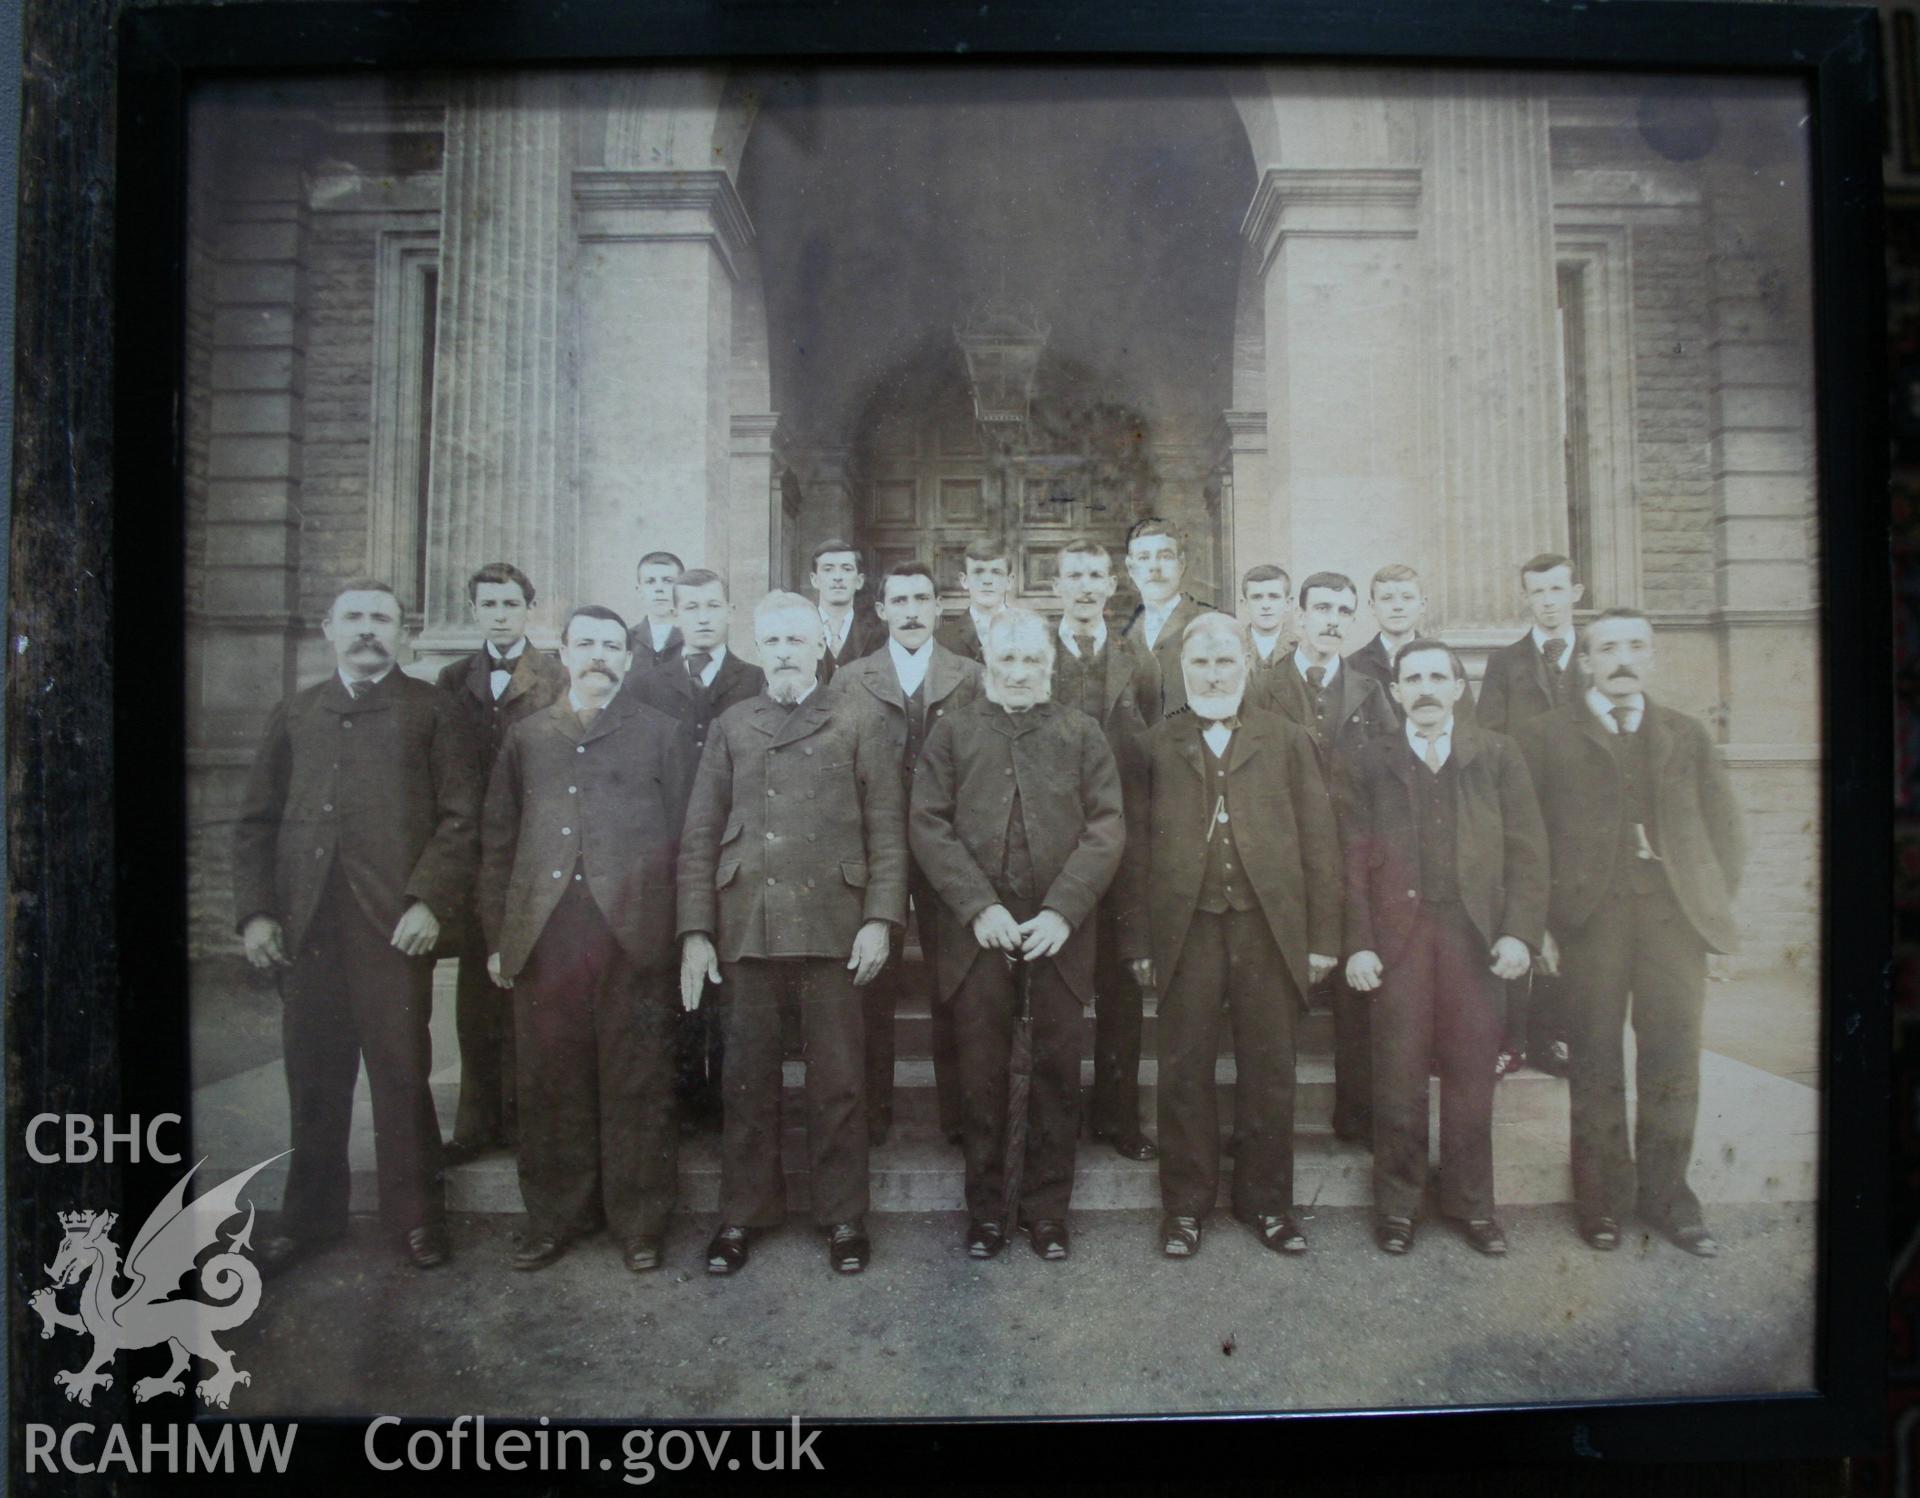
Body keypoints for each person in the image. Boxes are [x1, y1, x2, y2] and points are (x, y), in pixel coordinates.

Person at [233, 580, 480, 1272]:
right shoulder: (298, 710)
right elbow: (255, 822)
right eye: (354, 619)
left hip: (393, 926)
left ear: (403, 631)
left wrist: (429, 901)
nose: (368, 630)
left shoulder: (433, 710)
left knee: (402, 1074)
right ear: (328, 630)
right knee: (314, 1077)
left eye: (381, 619)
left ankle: (417, 1220)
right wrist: (255, 914)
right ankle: (309, 1219)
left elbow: (463, 819)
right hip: (306, 926)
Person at [676, 592, 907, 1276]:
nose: (782, 652)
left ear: (818, 649)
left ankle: (842, 1217)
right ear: (759, 646)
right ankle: (743, 1214)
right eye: (771, 640)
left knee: (839, 1082)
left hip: (834, 922)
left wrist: (879, 919)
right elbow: (698, 835)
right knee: (747, 1080)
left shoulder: (858, 718)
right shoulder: (733, 722)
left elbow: (888, 832)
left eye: (795, 641)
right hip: (749, 919)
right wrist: (695, 929)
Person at [1517, 609, 1746, 1259]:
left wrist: (1706, 906)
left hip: (1672, 923)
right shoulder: (1544, 736)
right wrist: (1542, 928)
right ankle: (1602, 1203)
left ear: (1652, 658)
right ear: (1584, 661)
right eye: (1607, 647)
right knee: (1593, 1060)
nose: (1623, 658)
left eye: (1636, 647)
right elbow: (1527, 841)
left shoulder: (1685, 734)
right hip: (1588, 922)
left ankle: (1671, 1198)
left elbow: (1726, 832)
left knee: (1675, 1059)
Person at [479, 605, 694, 1273]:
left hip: (633, 932)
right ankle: (554, 1218)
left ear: (627, 659)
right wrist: (499, 937)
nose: (599, 655)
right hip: (549, 933)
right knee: (551, 1080)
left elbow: (691, 840)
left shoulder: (661, 733)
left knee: (638, 1080)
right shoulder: (528, 735)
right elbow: (497, 842)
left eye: (611, 645)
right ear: (564, 654)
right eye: (586, 644)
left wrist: (685, 933)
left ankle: (640, 1223)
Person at [1122, 613, 1341, 1259]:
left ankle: (1267, 1204)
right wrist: (1137, 942)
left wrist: (1323, 935)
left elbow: (1320, 843)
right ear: (1180, 673)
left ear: (1247, 666)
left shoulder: (1287, 739)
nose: (1213, 674)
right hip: (1184, 929)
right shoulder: (1154, 745)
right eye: (1200, 665)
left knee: (1270, 1069)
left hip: (1265, 927)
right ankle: (1185, 1208)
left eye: (1224, 663)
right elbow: (1132, 852)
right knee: (1184, 1069)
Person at [910, 609, 1125, 1262]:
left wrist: (1063, 909)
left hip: (1057, 934)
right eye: (1008, 660)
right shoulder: (951, 732)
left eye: (1033, 660)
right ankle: (987, 1213)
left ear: (1050, 666)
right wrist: (978, 907)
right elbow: (927, 823)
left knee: (1058, 1074)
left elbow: (1107, 825)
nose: (1022, 671)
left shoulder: (1081, 732)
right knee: (982, 1075)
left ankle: (1046, 1211)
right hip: (979, 934)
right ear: (989, 665)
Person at [1344, 639, 1547, 1257]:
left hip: (1473, 939)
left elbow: (1528, 851)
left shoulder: (1497, 754)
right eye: (1413, 678)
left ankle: (1471, 1204)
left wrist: (1519, 932)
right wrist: (1358, 943)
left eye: (1439, 676)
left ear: (1459, 688)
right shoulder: (1370, 761)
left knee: (1469, 1075)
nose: (1426, 688)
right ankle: (1399, 1208)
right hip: (1398, 941)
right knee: (1398, 1074)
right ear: (1396, 691)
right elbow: (1348, 863)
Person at [828, 560, 982, 1147]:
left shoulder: (970, 675)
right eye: (901, 601)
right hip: (876, 848)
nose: (913, 610)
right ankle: (871, 1116)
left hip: (951, 847)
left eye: (923, 599)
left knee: (955, 982)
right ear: (882, 610)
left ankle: (961, 1118)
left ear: (939, 609)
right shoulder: (850, 679)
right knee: (872, 983)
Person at [434, 562, 568, 1168]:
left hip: (530, 840)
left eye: (510, 604)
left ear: (528, 608)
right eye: (488, 604)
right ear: (475, 610)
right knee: (475, 994)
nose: (499, 614)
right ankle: (475, 1121)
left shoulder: (555, 675)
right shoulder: (452, 676)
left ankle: (525, 1120)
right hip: (474, 850)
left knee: (529, 986)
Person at [1256, 570, 1396, 1146]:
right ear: (1298, 612)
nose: (1332, 621)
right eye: (1322, 609)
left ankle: (1355, 1115)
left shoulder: (1370, 688)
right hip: (1284, 852)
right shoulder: (1262, 685)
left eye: (1344, 610)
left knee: (1356, 991)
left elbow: (1389, 775)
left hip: (1350, 852)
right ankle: (1271, 1125)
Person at [633, 567, 766, 1130]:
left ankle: (732, 1102)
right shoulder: (646, 682)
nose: (703, 618)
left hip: (739, 834)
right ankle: (688, 1101)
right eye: (692, 608)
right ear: (676, 614)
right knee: (678, 969)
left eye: (714, 606)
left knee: (731, 974)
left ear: (731, 612)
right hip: (671, 839)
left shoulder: (756, 677)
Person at [1050, 537, 1155, 1161]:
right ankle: (1055, 1120)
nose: (1086, 587)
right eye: (1075, 576)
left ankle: (1120, 1117)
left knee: (1121, 988)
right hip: (1054, 846)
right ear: (1057, 585)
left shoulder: (1137, 661)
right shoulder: (1034, 655)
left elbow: (1146, 753)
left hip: (1118, 845)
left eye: (1096, 576)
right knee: (1058, 988)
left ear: (1113, 587)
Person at [1477, 552, 1586, 1078]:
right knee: (1517, 918)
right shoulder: (1505, 663)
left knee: (1566, 921)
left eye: (1556, 590)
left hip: (1580, 819)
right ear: (1527, 598)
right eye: (1537, 592)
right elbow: (1489, 738)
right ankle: (1509, 1040)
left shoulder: (1595, 656)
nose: (1547, 601)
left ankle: (1555, 1038)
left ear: (1575, 594)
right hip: (1522, 812)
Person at [1347, 564, 1475, 727]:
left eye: (1407, 598)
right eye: (1387, 598)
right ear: (1372, 606)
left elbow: (1465, 724)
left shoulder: (1445, 660)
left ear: (1423, 605)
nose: (1397, 607)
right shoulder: (1353, 666)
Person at [1120, 516, 1214, 724]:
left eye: (1165, 556)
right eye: (1144, 557)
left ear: (1181, 564)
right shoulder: (1124, 635)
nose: (1155, 567)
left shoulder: (1211, 623)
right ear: (1130, 568)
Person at [808, 538, 887, 685]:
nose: (838, 577)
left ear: (859, 581)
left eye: (847, 569)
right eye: (828, 569)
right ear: (814, 580)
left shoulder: (880, 632)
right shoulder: (800, 628)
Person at [934, 536, 1014, 663]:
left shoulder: (1030, 633)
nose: (987, 581)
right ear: (964, 580)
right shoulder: (942, 640)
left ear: (1009, 581)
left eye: (996, 572)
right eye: (978, 572)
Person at [1238, 563, 1294, 687]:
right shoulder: (1229, 646)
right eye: (1257, 597)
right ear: (1245, 605)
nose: (1266, 606)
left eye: (1274, 597)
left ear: (1288, 603)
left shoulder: (1302, 648)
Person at [628, 550, 686, 669]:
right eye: (650, 582)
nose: (659, 588)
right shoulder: (626, 640)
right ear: (640, 591)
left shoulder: (694, 638)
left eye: (668, 581)